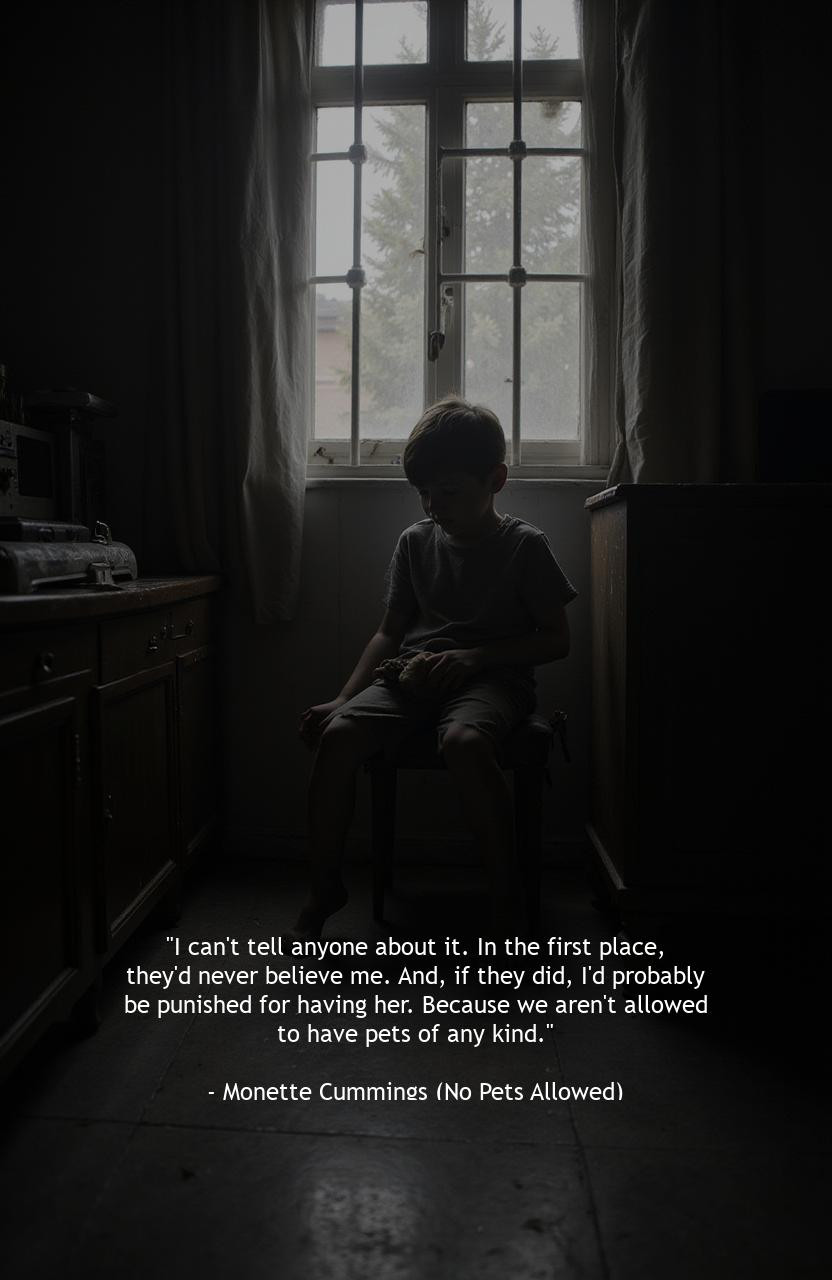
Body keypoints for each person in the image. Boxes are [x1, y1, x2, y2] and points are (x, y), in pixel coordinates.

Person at [292, 395, 577, 939]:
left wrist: (476, 656)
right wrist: (344, 698)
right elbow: (389, 633)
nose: (431, 505)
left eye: (447, 491)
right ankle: (324, 887)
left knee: (464, 742)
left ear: (495, 480)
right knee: (338, 736)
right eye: (422, 492)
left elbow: (557, 640)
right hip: (413, 675)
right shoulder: (415, 541)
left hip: (494, 679)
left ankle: (505, 895)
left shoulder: (525, 546)